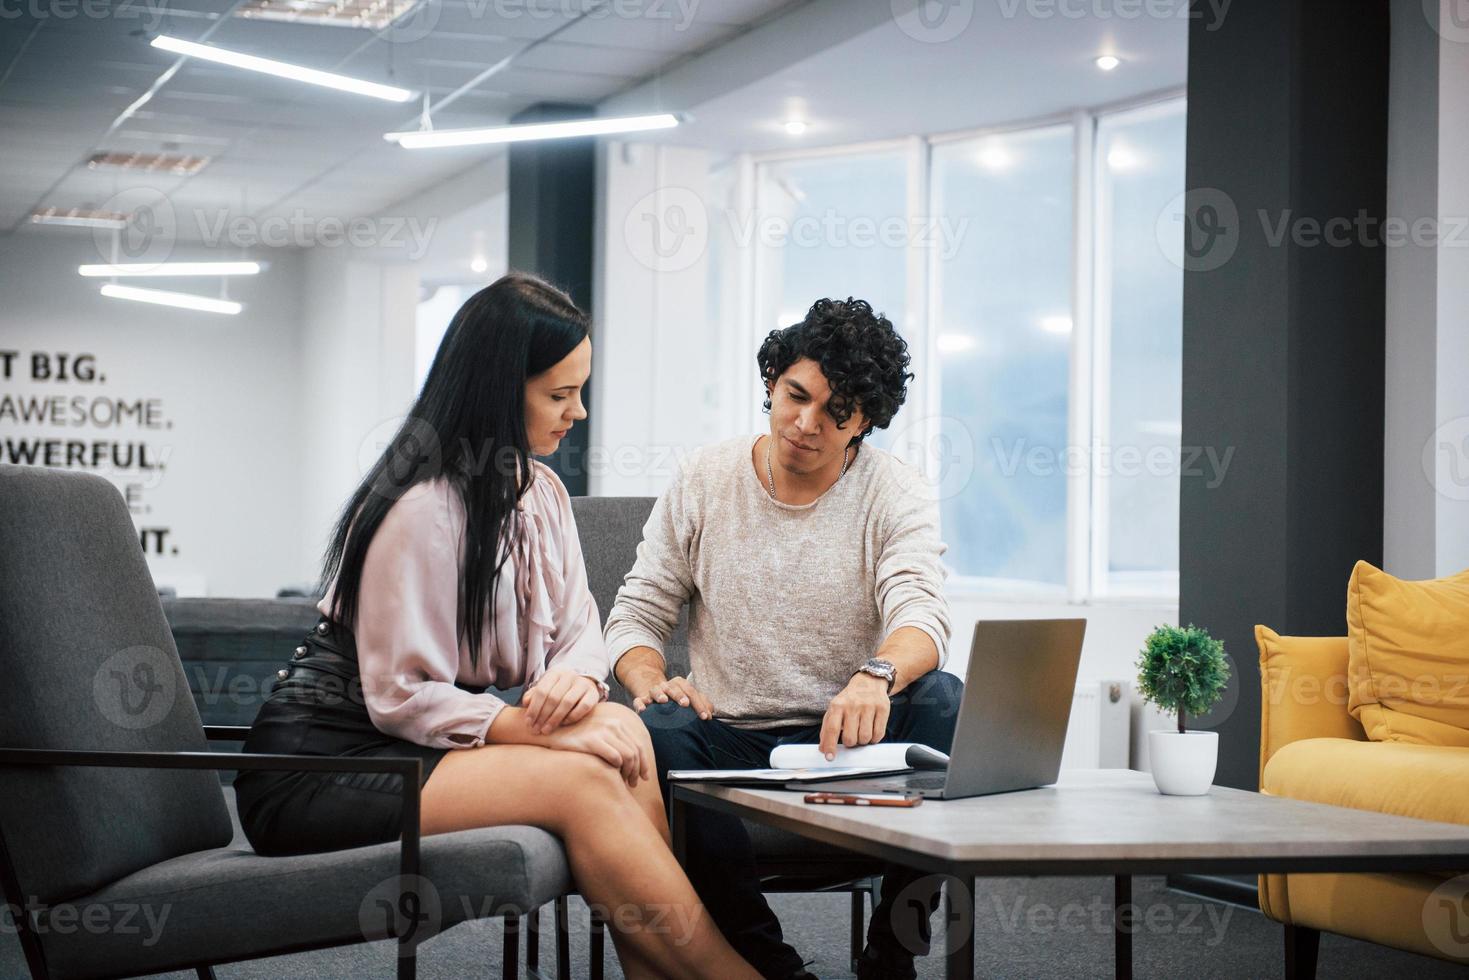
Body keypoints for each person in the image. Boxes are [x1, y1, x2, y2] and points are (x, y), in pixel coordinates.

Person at [234, 272, 757, 980]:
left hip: (414, 748)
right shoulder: (420, 507)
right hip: (323, 765)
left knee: (626, 733)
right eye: (558, 394)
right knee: (583, 781)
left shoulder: (539, 493)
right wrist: (533, 725)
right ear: (497, 388)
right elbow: (401, 695)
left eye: (580, 391)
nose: (576, 412)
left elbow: (579, 634)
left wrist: (573, 687)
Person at [605, 297, 963, 980]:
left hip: (846, 737)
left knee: (943, 699)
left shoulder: (895, 490)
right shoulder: (705, 478)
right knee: (655, 725)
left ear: (865, 422)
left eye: (836, 412)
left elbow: (921, 613)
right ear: (771, 379)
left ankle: (893, 951)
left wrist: (877, 674)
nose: (806, 423)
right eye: (796, 395)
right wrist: (647, 677)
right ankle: (768, 965)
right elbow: (636, 614)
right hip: (726, 731)